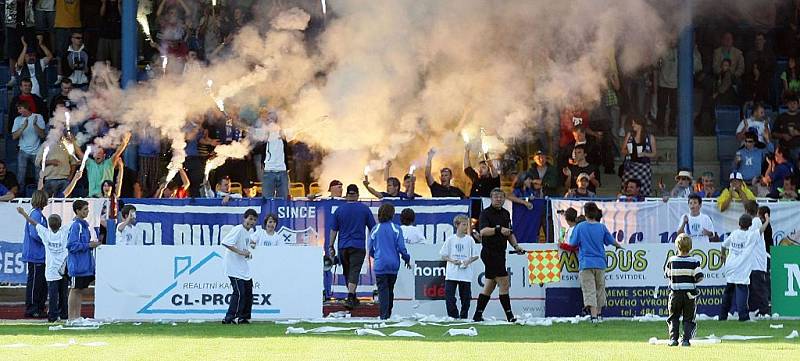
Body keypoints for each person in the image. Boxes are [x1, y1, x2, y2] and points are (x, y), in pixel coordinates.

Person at [472, 188, 525, 323]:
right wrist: (498, 229)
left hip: (501, 253)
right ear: (491, 198)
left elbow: (509, 233)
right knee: (504, 282)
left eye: (501, 197)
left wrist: (516, 246)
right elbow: (483, 231)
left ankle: (478, 315)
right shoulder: (485, 213)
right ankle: (510, 316)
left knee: (489, 285)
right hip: (489, 253)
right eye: (495, 196)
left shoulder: (506, 214)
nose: (498, 199)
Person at [568, 202, 624, 322]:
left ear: (585, 213)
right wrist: (619, 246)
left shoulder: (580, 227)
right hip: (600, 263)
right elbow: (611, 241)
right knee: (600, 288)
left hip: (586, 263)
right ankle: (599, 314)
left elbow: (572, 243)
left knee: (589, 290)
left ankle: (593, 316)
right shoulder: (601, 227)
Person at [17, 207, 69, 322]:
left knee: (53, 294)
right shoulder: (65, 231)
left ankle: (52, 316)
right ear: (60, 224)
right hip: (63, 269)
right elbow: (74, 221)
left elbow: (33, 222)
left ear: (49, 225)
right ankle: (64, 314)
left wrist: (23, 213)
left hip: (50, 270)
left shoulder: (45, 233)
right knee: (63, 294)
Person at [329, 184, 376, 309]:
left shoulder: (339, 210)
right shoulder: (364, 209)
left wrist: (330, 245)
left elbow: (333, 230)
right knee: (354, 271)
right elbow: (373, 228)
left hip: (343, 246)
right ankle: (350, 296)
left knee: (347, 271)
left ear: (346, 195)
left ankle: (352, 296)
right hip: (358, 245)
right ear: (357, 195)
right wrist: (375, 244)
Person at [369, 203, 411, 320]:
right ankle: (388, 313)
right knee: (390, 289)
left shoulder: (375, 229)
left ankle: (383, 315)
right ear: (392, 214)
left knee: (382, 290)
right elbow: (402, 248)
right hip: (393, 264)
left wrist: (376, 257)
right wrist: (406, 258)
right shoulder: (396, 229)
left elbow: (370, 248)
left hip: (380, 263)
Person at [664, 234, 704, 347]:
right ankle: (686, 340)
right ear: (690, 246)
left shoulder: (672, 260)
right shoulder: (694, 261)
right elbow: (699, 276)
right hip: (689, 295)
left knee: (673, 317)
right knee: (688, 318)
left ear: (677, 246)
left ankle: (673, 339)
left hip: (675, 294)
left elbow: (667, 274)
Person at [221, 209, 258, 324]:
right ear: (245, 218)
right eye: (250, 219)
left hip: (243, 267)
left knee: (248, 292)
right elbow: (226, 242)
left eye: (254, 220)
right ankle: (230, 317)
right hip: (233, 267)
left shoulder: (248, 233)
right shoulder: (238, 229)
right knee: (239, 292)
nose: (251, 222)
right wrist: (241, 253)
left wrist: (248, 253)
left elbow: (244, 248)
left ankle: (244, 317)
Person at [66, 200, 100, 325]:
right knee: (74, 289)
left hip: (84, 264)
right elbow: (71, 245)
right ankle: (71, 318)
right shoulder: (76, 226)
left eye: (87, 209)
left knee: (79, 290)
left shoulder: (84, 225)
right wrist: (89, 245)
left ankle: (77, 316)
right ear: (78, 211)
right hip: (77, 264)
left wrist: (90, 245)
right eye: (85, 209)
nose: (87, 211)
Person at [720, 214, 759, 322]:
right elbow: (761, 230)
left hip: (730, 265)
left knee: (728, 290)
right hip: (741, 266)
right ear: (750, 225)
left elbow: (723, 245)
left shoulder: (734, 233)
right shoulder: (751, 235)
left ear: (739, 223)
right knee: (742, 290)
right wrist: (767, 221)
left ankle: (722, 316)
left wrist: (723, 255)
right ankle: (743, 316)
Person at [439, 214, 478, 319]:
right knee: (449, 296)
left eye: (467, 225)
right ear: (457, 225)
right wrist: (452, 261)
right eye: (464, 225)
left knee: (466, 297)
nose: (466, 227)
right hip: (452, 273)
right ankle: (453, 316)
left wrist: (467, 261)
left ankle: (464, 315)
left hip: (465, 273)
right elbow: (443, 255)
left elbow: (475, 255)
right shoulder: (450, 239)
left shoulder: (470, 240)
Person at [72, 133, 131, 197]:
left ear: (104, 155)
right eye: (96, 153)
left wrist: (124, 142)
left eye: (100, 153)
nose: (98, 155)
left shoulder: (109, 163)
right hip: (92, 198)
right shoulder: (90, 163)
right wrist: (73, 141)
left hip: (106, 197)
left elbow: (118, 152)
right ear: (93, 155)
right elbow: (79, 153)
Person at [22, 190, 49, 318]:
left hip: (38, 254)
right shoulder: (36, 215)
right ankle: (32, 307)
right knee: (35, 283)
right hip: (35, 253)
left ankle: (38, 306)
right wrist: (47, 239)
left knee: (40, 282)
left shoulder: (36, 214)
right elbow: (35, 233)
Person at [743, 201, 771, 318]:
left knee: (759, 287)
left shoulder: (755, 221)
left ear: (747, 211)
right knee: (755, 287)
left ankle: (765, 310)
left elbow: (751, 237)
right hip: (753, 261)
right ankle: (758, 309)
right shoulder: (754, 222)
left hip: (757, 262)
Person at [12, 101, 46, 187]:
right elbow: (14, 137)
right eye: (18, 109)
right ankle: (19, 196)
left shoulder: (38, 117)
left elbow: (42, 135)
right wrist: (23, 127)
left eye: (20, 109)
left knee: (39, 177)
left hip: (37, 151)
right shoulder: (17, 119)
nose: (18, 111)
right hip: (23, 151)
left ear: (26, 108)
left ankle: (39, 196)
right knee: (20, 176)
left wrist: (35, 125)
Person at [621, 117, 657, 197]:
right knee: (627, 188)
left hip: (643, 167)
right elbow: (623, 150)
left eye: (635, 123)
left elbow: (654, 153)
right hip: (630, 166)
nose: (633, 125)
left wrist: (644, 154)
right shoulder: (630, 135)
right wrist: (631, 152)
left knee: (643, 190)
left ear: (640, 124)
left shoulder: (650, 137)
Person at [259, 110, 289, 199]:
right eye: (268, 120)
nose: (270, 122)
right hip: (269, 172)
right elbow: (250, 131)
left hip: (282, 171)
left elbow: (299, 129)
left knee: (283, 202)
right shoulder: (264, 134)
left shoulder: (283, 133)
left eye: (272, 119)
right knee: (267, 201)